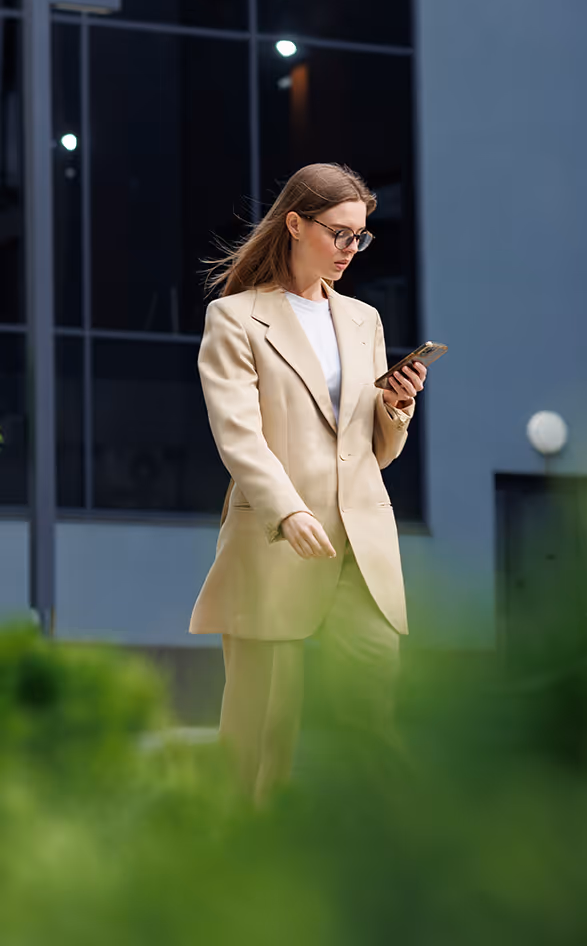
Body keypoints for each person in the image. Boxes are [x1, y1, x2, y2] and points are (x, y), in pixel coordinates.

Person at [188, 162, 427, 804]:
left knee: (371, 710)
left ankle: (381, 847)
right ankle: (236, 845)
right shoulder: (235, 318)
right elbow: (239, 435)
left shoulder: (364, 319)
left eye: (360, 237)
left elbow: (375, 450)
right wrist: (288, 511)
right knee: (262, 728)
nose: (351, 249)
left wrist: (396, 407)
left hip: (362, 540)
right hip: (278, 535)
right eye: (339, 233)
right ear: (295, 224)